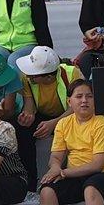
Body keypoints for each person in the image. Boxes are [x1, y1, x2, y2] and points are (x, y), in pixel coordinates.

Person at [18, 45, 81, 190]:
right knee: (22, 130)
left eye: (34, 75)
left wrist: (54, 123)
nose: (28, 76)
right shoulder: (26, 77)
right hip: (42, 114)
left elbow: (78, 107)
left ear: (48, 77)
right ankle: (30, 183)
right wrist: (28, 116)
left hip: (70, 115)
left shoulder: (72, 74)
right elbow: (29, 103)